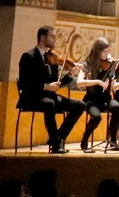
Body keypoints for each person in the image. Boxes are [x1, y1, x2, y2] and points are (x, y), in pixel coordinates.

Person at [16, 26, 84, 154]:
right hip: (31, 97)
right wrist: (45, 86)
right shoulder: (28, 56)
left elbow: (57, 84)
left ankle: (58, 138)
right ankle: (55, 142)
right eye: (52, 36)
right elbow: (25, 83)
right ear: (42, 38)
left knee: (80, 105)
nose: (55, 39)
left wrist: (70, 75)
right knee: (49, 104)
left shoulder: (51, 58)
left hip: (49, 96)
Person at [77, 38, 119, 152]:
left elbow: (113, 87)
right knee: (96, 117)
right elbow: (79, 82)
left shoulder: (110, 65)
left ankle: (112, 140)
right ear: (98, 51)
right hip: (91, 100)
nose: (107, 54)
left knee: (116, 106)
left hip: (105, 99)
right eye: (105, 51)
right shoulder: (87, 65)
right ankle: (84, 141)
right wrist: (97, 82)